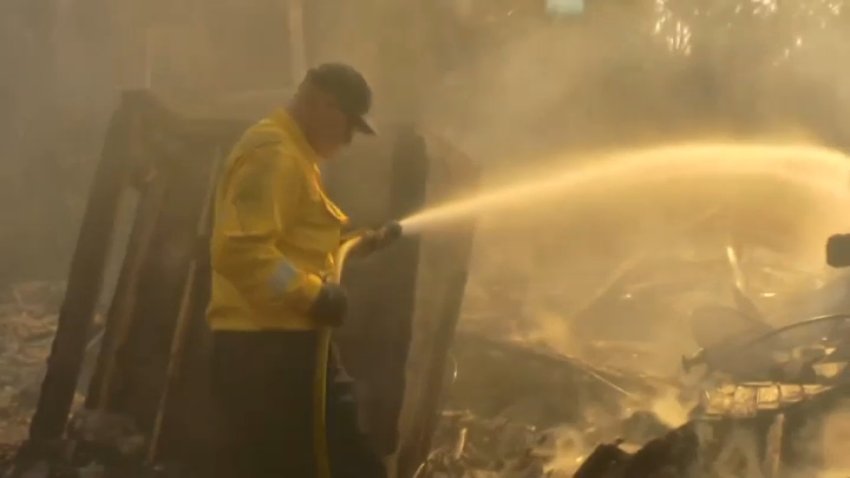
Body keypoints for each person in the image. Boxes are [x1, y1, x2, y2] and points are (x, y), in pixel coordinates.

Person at [207, 62, 386, 478]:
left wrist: (350, 246)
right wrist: (313, 294)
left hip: (279, 348)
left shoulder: (293, 156)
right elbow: (241, 253)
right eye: (348, 126)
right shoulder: (275, 154)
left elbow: (284, 246)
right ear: (324, 106)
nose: (347, 140)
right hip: (270, 353)